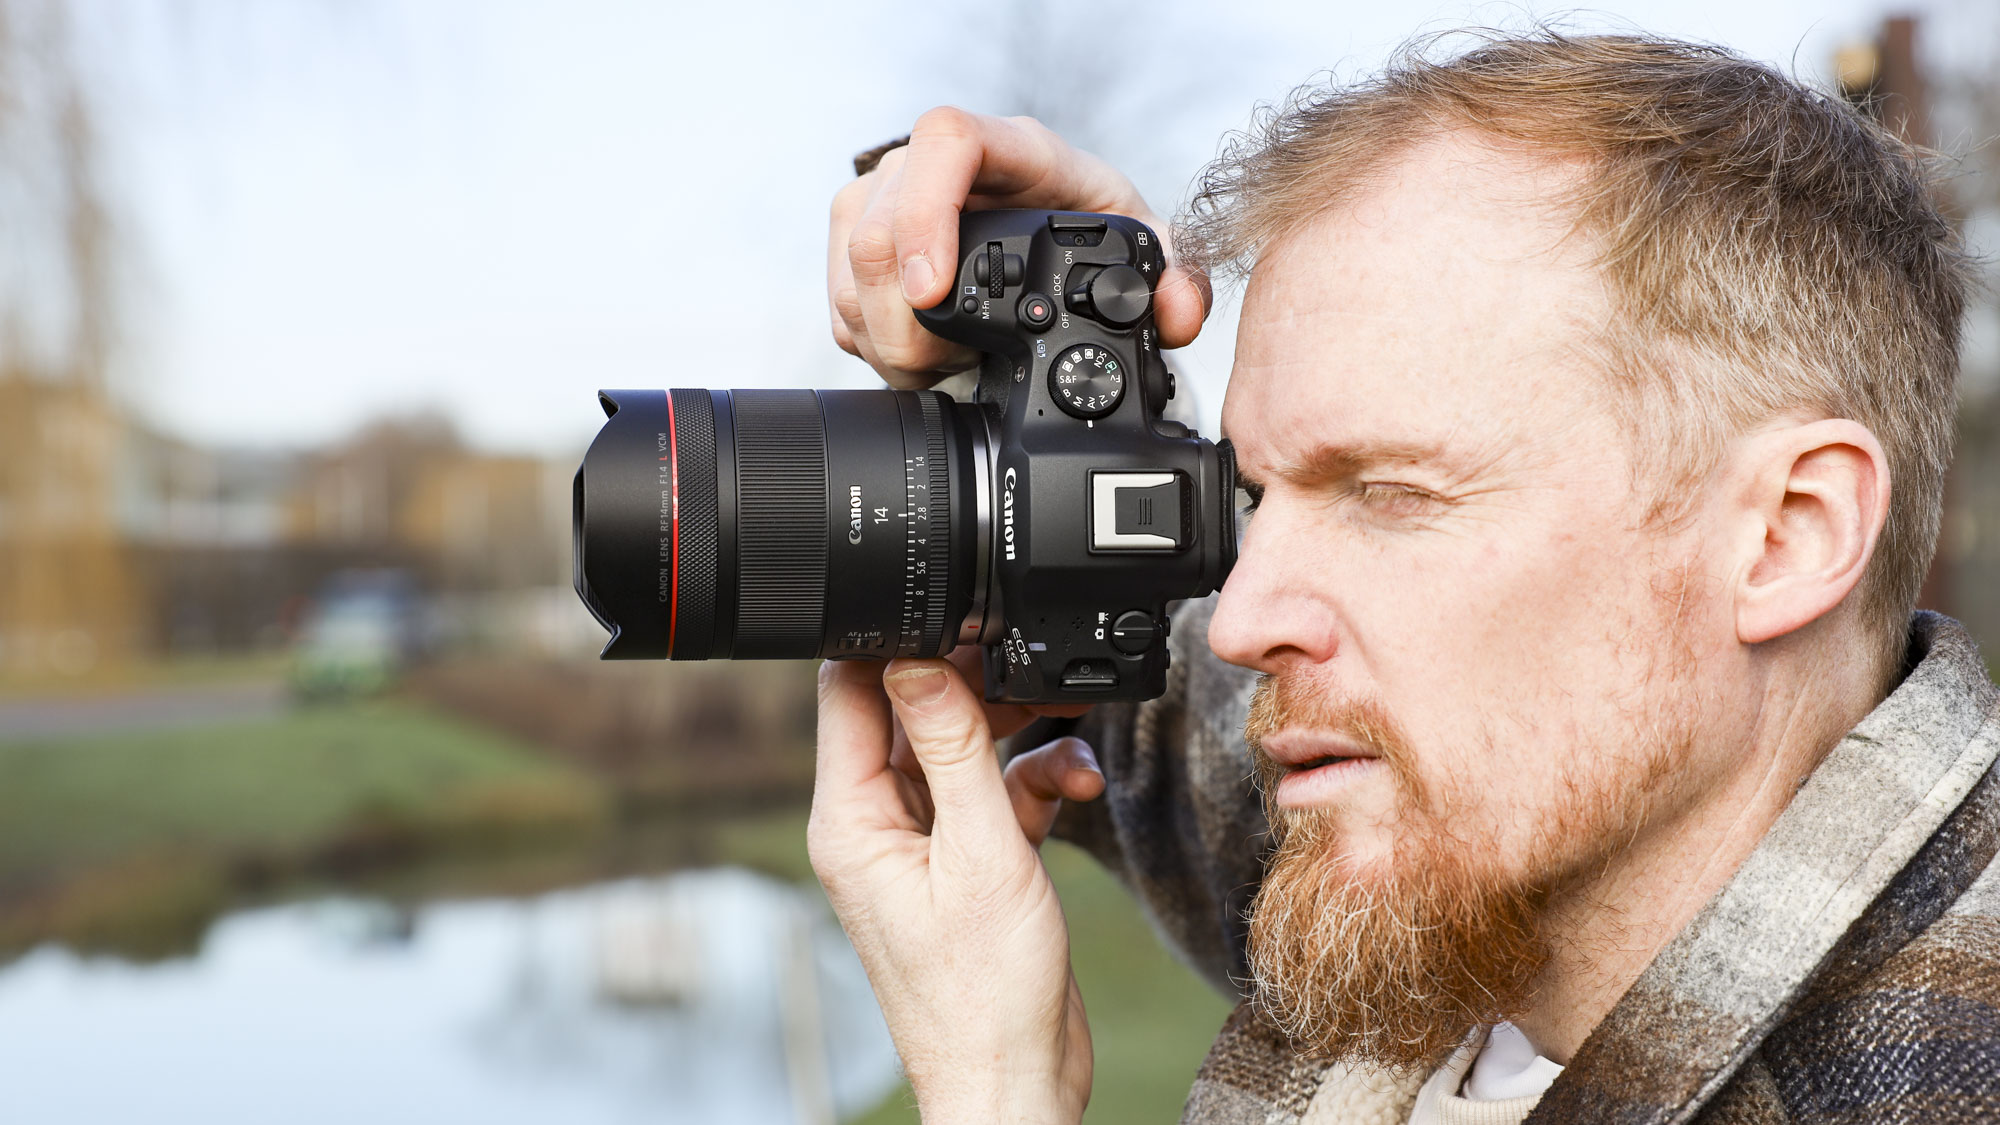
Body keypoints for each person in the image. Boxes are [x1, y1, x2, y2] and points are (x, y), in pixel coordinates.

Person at [809, 29, 2000, 1125]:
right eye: (1257, 494)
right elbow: (1127, 680)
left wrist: (993, 1099)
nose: (1235, 623)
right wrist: (1014, 319)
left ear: (1786, 533)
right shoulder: (1444, 858)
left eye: (1387, 494)